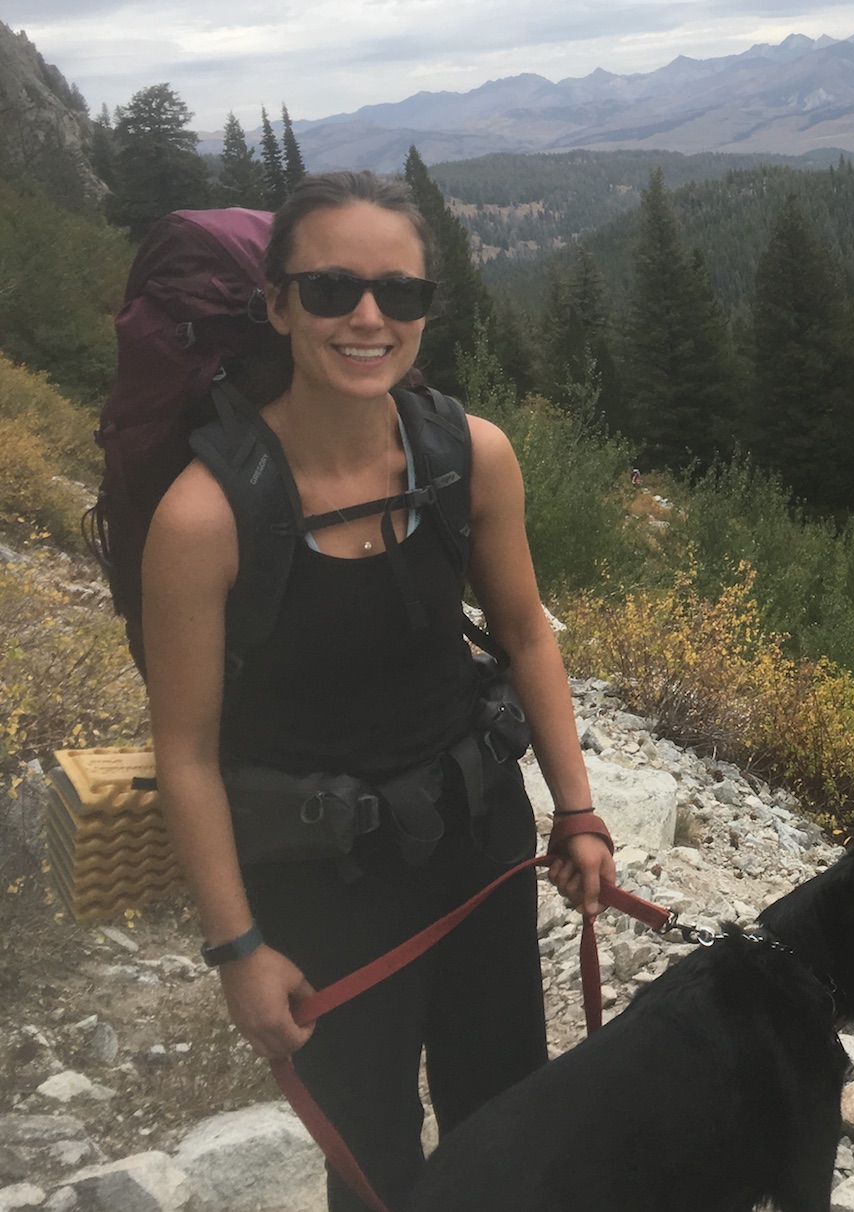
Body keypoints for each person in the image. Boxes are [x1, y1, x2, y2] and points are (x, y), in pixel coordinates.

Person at [141, 170, 615, 1211]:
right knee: (372, 1155)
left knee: (507, 1112)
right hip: (320, 883)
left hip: (477, 835)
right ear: (277, 306)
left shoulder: (469, 454)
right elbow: (184, 754)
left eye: (400, 294)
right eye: (332, 290)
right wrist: (238, 950)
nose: (369, 317)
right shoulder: (205, 517)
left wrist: (576, 811)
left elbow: (526, 633)